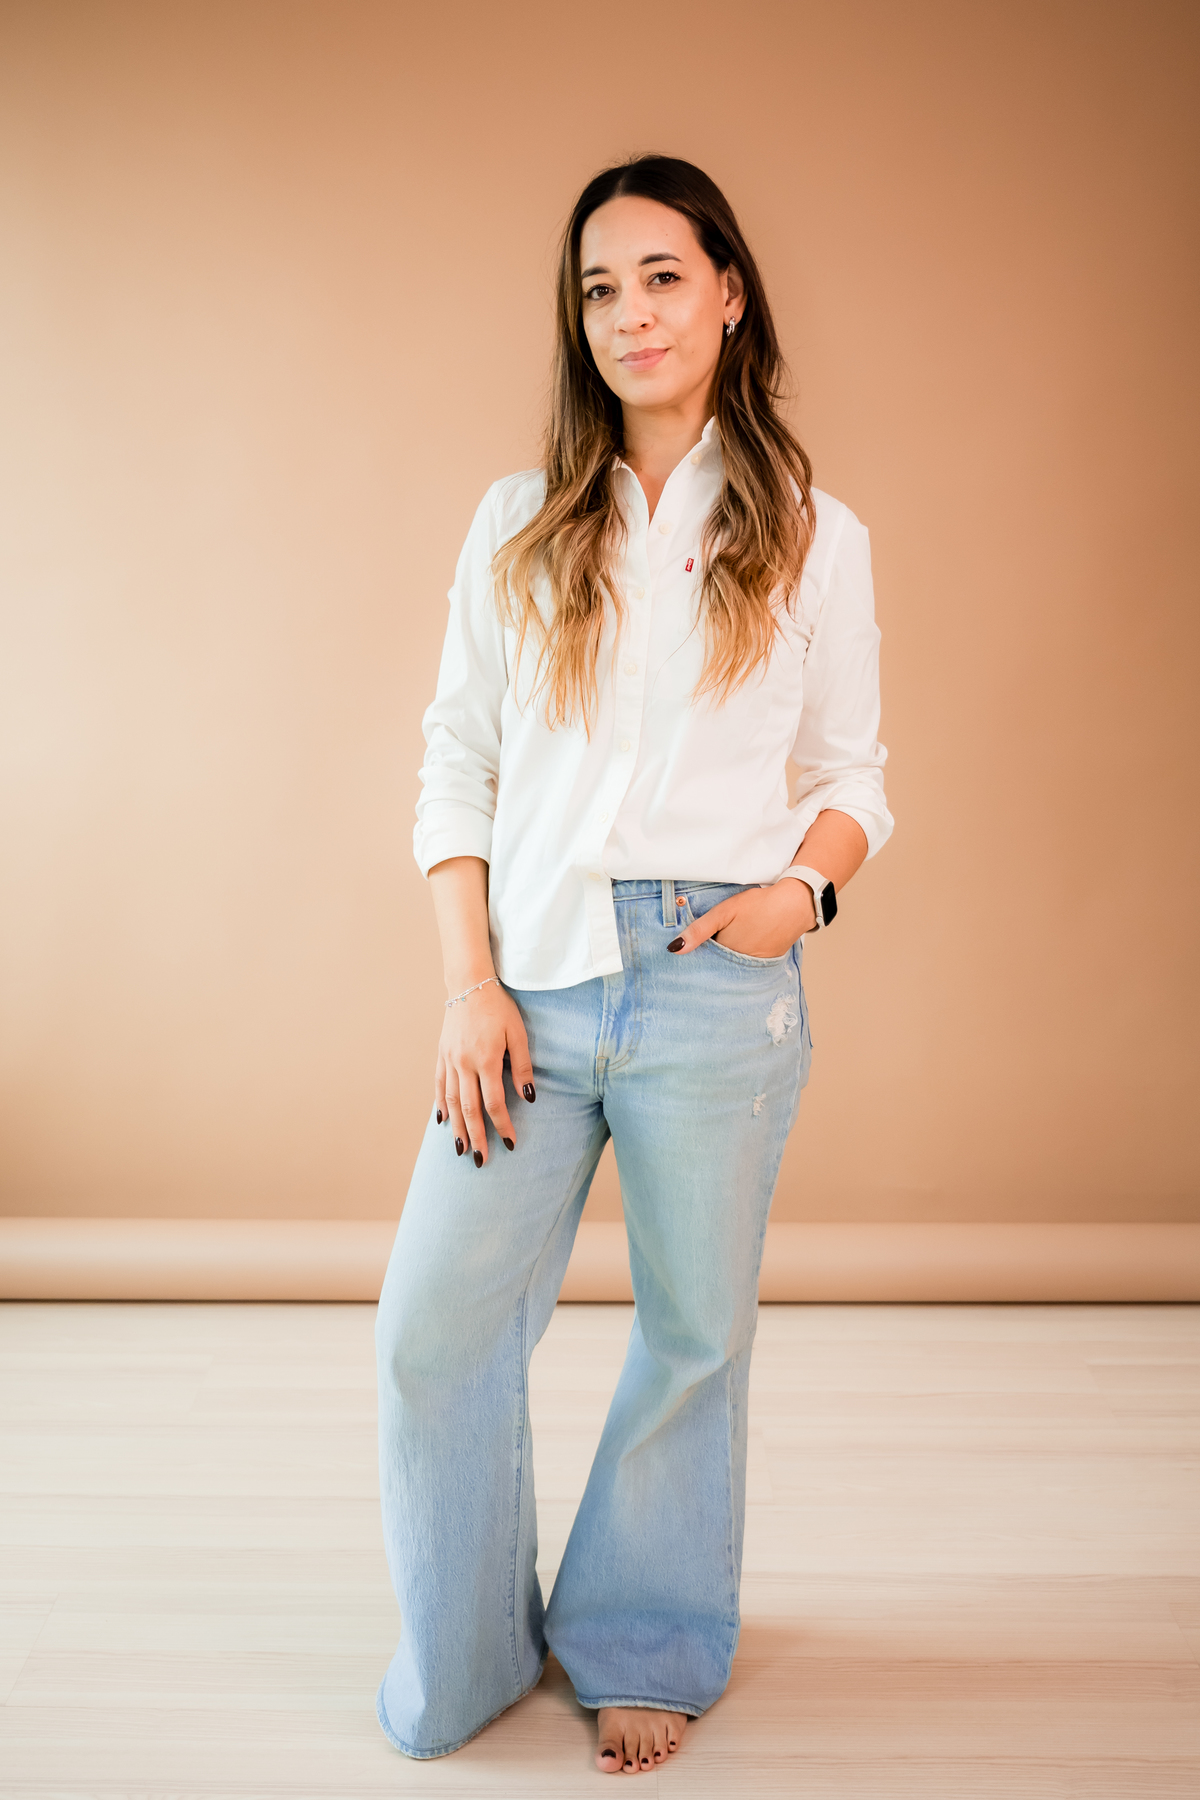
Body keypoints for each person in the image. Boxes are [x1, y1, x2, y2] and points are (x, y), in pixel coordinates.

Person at [375, 154, 892, 1774]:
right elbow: (456, 762)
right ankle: (467, 1657)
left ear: (730, 292)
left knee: (692, 1336)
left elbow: (856, 777)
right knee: (434, 1332)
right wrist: (470, 984)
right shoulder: (517, 524)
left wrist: (799, 897)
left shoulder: (815, 535)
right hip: (529, 984)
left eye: (663, 276)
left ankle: (645, 1638)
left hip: (715, 980)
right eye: (600, 288)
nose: (630, 314)